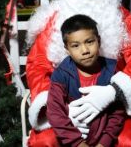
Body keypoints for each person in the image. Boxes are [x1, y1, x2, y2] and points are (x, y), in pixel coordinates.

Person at [26, 0, 131, 147]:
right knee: (45, 141)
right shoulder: (55, 19)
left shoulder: (122, 17)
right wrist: (62, 109)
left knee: (127, 141)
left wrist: (113, 92)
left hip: (112, 106)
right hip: (64, 105)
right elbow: (37, 64)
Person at [47, 14, 125, 147]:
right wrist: (78, 143)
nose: (85, 51)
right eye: (75, 46)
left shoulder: (113, 70)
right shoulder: (61, 74)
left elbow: (117, 113)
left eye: (89, 42)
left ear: (98, 41)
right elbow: (55, 113)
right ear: (67, 49)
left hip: (103, 136)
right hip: (72, 137)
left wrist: (104, 142)